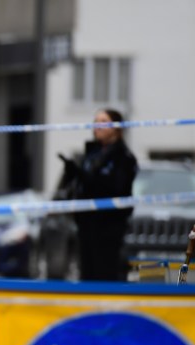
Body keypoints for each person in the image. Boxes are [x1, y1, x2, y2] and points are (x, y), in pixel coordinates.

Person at [59, 108, 138, 281]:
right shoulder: (92, 154)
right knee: (87, 275)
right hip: (86, 225)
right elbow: (85, 185)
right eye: (96, 122)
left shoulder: (123, 157)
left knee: (105, 275)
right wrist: (73, 174)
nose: (98, 126)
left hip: (108, 227)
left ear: (117, 127)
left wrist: (84, 176)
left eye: (103, 121)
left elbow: (114, 188)